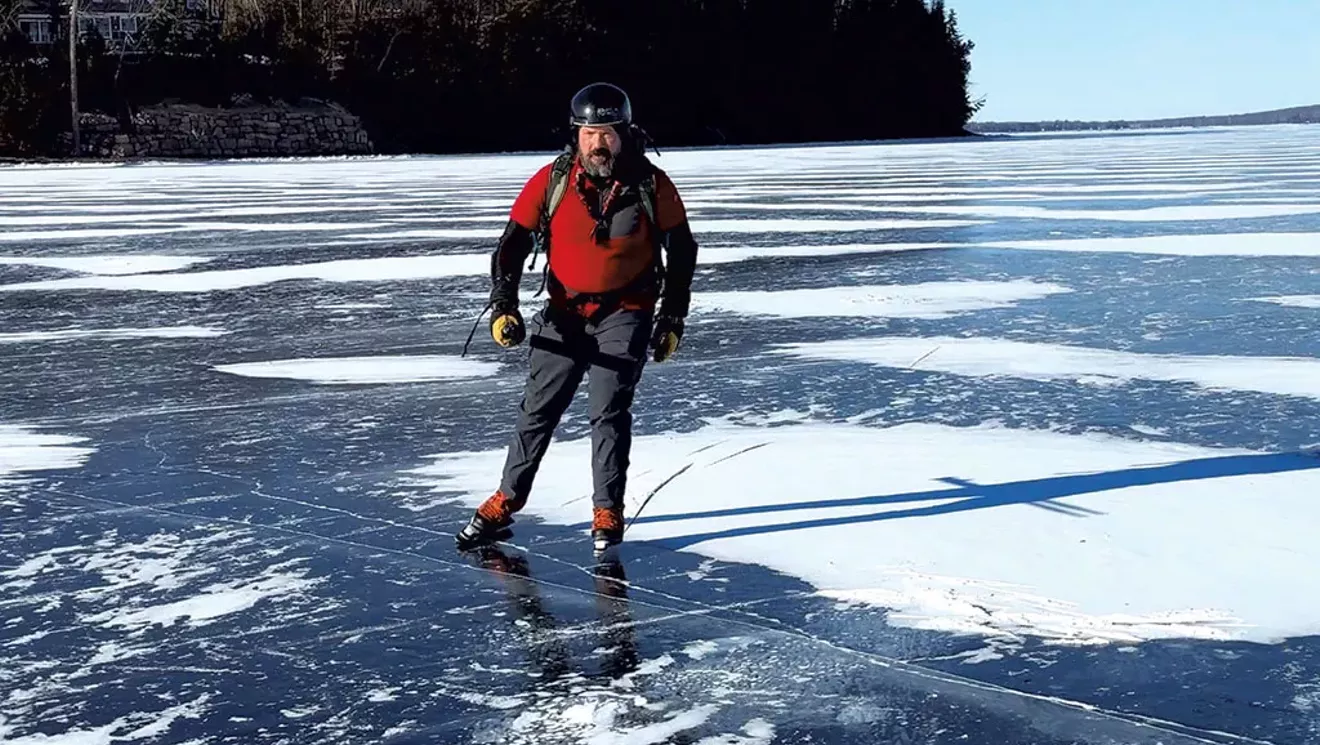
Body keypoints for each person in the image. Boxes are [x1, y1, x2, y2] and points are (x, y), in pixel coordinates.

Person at [455, 82, 699, 555]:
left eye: (607, 132)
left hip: (626, 312)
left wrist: (672, 317)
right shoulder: (552, 180)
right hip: (564, 312)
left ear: (625, 134)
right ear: (576, 135)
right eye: (589, 133)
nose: (598, 143)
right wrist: (504, 304)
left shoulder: (651, 185)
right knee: (537, 411)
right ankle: (506, 499)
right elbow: (512, 243)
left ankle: (607, 511)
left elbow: (683, 249)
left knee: (607, 411)